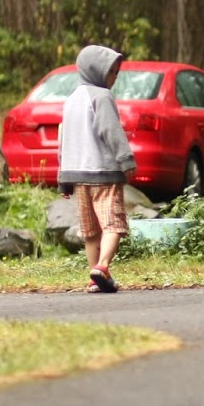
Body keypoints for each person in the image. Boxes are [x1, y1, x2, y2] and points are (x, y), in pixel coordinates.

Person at [57, 44, 137, 294]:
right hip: (103, 174)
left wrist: (63, 178)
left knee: (90, 232)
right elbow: (111, 131)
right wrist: (126, 160)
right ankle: (102, 266)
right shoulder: (101, 97)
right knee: (113, 224)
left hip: (78, 177)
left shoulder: (70, 100)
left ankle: (94, 277)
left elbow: (64, 140)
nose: (115, 78)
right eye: (112, 72)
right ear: (97, 71)